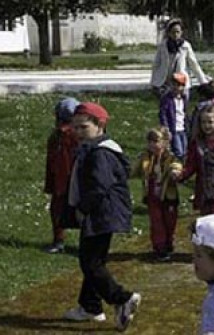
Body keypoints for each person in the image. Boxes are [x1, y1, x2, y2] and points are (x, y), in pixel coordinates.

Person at [63, 102, 141, 332]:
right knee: (93, 261)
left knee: (91, 262)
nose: (78, 132)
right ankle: (90, 306)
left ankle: (122, 298)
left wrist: (83, 209)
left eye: (83, 127)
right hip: (102, 213)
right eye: (75, 128)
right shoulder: (91, 148)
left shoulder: (101, 153)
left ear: (100, 126)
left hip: (102, 214)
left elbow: (99, 186)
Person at [131, 127, 183, 261]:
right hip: (152, 195)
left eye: (156, 141)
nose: (153, 145)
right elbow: (134, 170)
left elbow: (177, 165)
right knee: (156, 221)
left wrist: (175, 171)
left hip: (168, 195)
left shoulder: (170, 157)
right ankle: (160, 248)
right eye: (150, 142)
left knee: (170, 221)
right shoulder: (145, 157)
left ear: (165, 142)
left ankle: (169, 242)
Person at [43, 98, 80, 254]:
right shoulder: (58, 136)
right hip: (62, 179)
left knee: (75, 211)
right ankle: (59, 241)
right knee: (58, 210)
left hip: (71, 179)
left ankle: (61, 241)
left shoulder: (71, 135)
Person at [150, 19, 209, 103]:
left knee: (182, 108)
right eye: (173, 32)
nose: (175, 34)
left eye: (177, 32)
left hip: (181, 82)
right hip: (165, 82)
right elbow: (156, 64)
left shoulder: (185, 46)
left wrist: (203, 82)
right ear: (169, 33)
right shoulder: (163, 46)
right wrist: (153, 82)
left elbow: (194, 65)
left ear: (181, 32)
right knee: (167, 107)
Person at [159, 72, 189, 160]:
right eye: (174, 84)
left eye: (179, 85)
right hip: (173, 129)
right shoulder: (167, 99)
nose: (176, 87)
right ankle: (177, 166)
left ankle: (183, 166)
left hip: (183, 128)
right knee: (178, 150)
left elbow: (185, 113)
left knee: (185, 149)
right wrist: (166, 127)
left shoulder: (184, 98)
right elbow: (163, 113)